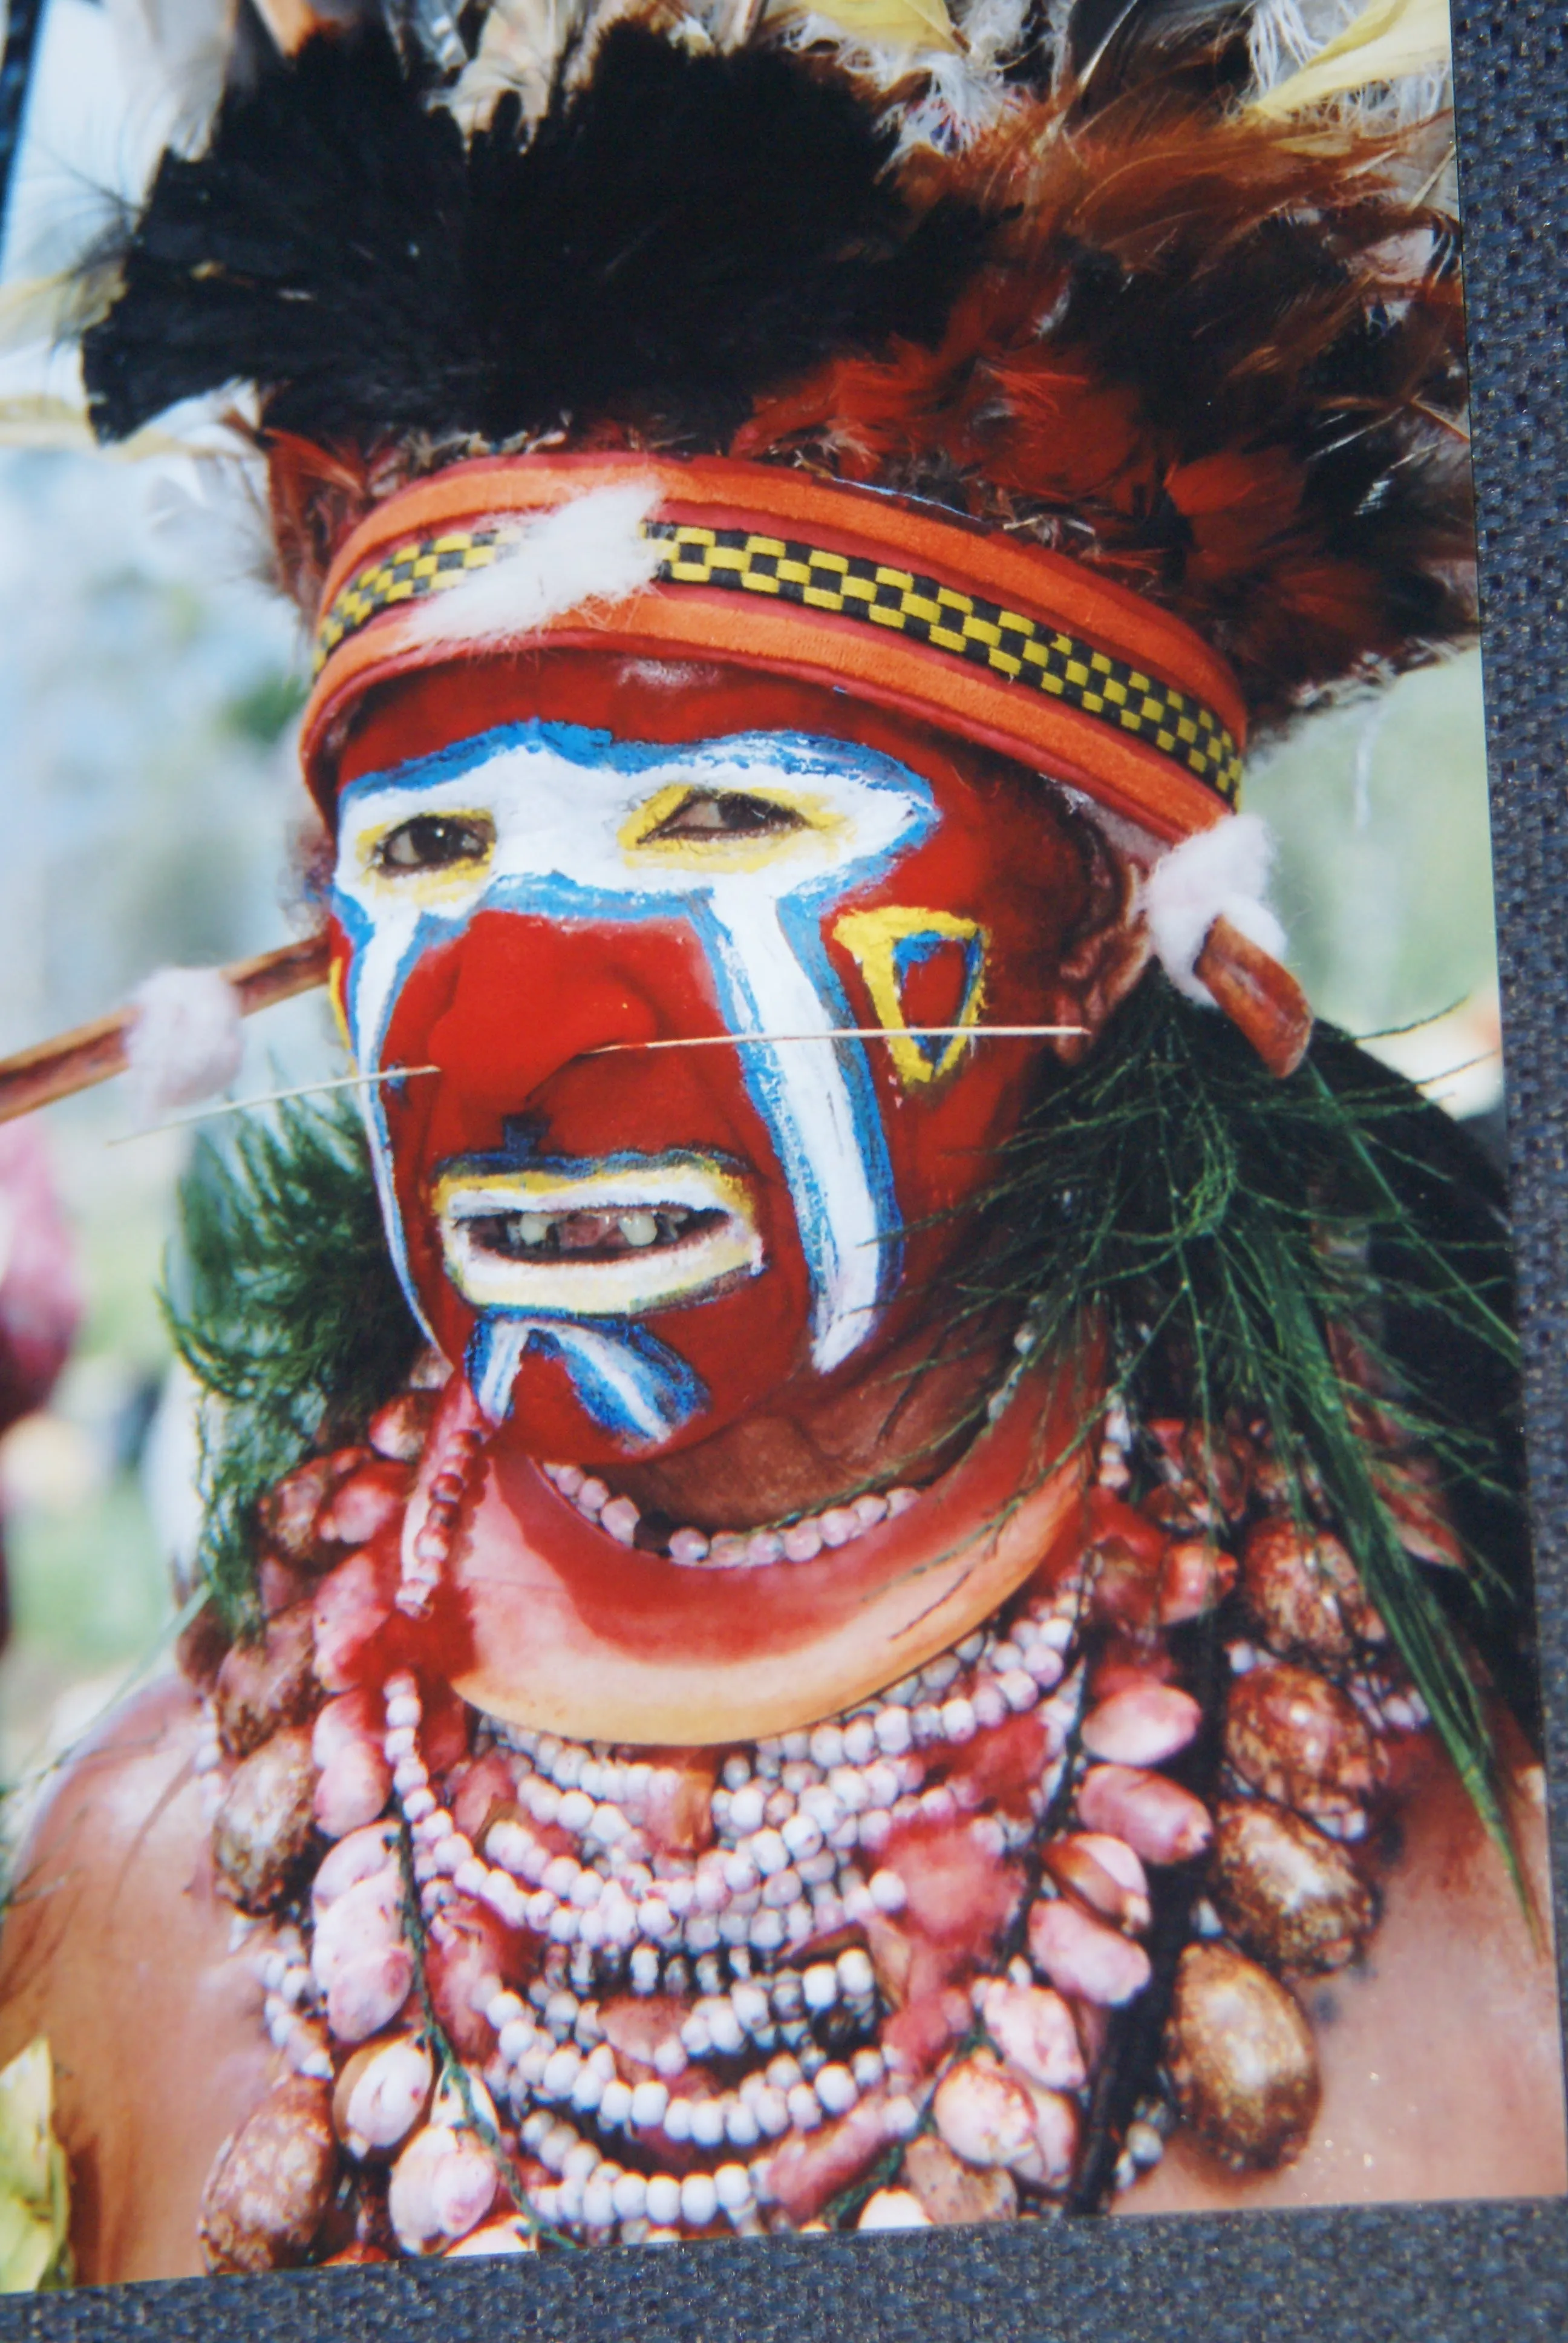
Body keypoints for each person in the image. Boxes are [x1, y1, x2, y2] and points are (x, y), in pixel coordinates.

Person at [0, 0, 1561, 2282]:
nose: (512, 1052)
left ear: (1116, 917)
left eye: (725, 816)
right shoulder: (131, 1876)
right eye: (430, 854)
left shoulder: (1485, 1810)